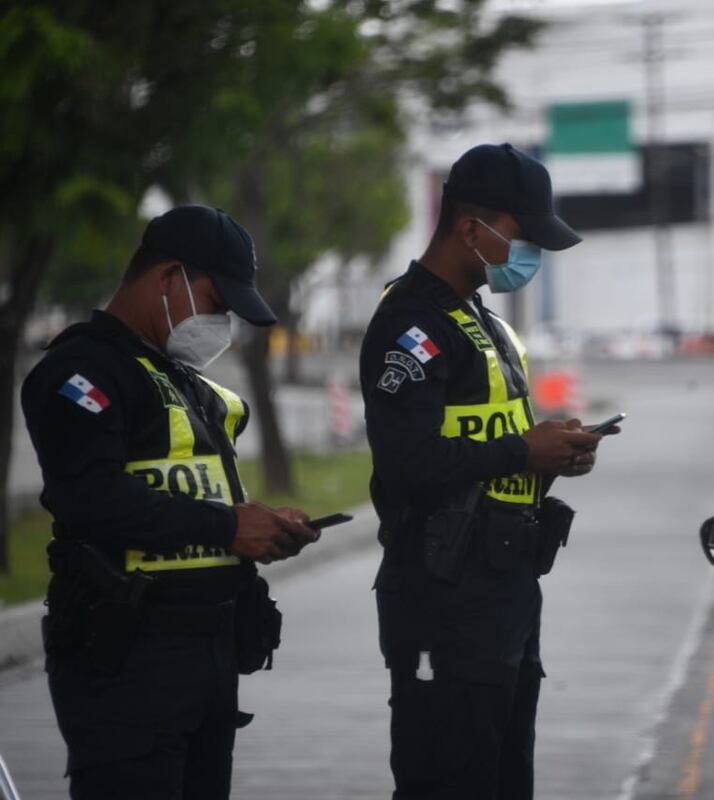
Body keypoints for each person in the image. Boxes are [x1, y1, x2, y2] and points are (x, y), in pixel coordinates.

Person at [21, 205, 321, 800]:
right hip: (129, 659)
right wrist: (226, 527)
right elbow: (91, 496)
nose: (223, 322)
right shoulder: (80, 372)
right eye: (216, 303)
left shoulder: (182, 380)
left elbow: (193, 493)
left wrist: (259, 526)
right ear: (168, 279)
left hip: (206, 654)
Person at [360, 143, 613, 799]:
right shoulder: (409, 326)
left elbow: (496, 448)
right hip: (440, 598)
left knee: (503, 779)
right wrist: (522, 451)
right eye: (523, 237)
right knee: (447, 778)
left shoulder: (483, 324)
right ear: (471, 228)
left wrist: (554, 455)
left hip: (502, 593)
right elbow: (408, 462)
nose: (529, 257)